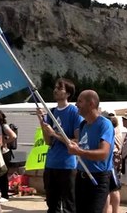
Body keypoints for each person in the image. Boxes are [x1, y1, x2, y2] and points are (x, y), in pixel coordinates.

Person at [36, 78, 82, 213]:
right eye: (55, 87)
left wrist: (55, 134)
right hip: (51, 164)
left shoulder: (74, 112)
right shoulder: (52, 112)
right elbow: (48, 141)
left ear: (68, 93)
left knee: (69, 205)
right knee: (52, 204)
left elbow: (77, 141)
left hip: (67, 165)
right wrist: (41, 122)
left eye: (59, 88)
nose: (55, 90)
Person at [67, 90, 114, 213]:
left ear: (91, 104)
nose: (76, 104)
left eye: (80, 101)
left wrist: (79, 152)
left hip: (97, 178)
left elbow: (104, 153)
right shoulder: (83, 125)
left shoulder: (105, 124)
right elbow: (84, 145)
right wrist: (74, 144)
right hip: (81, 176)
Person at [0, 109, 17, 203]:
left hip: (3, 153)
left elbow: (13, 136)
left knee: (2, 175)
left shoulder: (3, 126)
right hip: (1, 153)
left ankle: (4, 195)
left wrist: (4, 142)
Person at [101, 109, 122, 213]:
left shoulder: (107, 128)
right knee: (114, 187)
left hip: (110, 158)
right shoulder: (116, 128)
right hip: (115, 156)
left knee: (109, 189)